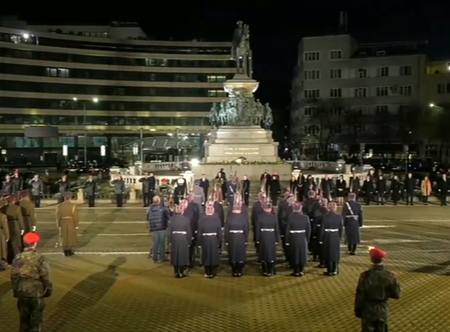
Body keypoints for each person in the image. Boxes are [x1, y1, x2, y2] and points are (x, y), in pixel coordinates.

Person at [10, 232, 53, 332]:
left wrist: (16, 291)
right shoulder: (39, 258)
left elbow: (14, 276)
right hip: (36, 291)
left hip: (22, 291)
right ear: (35, 243)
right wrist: (48, 290)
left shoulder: (18, 257)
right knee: (36, 321)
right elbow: (45, 276)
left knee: (24, 321)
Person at [354, 248, 401, 332]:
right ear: (382, 259)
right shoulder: (389, 276)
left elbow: (360, 295)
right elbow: (396, 295)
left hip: (368, 309)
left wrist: (358, 310)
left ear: (371, 259)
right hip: (382, 309)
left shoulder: (365, 276)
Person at [224, 197, 249, 277]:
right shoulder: (243, 218)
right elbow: (246, 229)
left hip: (232, 237)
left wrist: (226, 240)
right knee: (240, 254)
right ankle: (239, 270)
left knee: (233, 253)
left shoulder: (230, 218)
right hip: (241, 237)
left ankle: (234, 270)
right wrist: (246, 239)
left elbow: (226, 230)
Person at [197, 201, 222, 278]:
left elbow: (199, 233)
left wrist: (199, 243)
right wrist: (219, 241)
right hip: (210, 239)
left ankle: (210, 272)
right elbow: (219, 233)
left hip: (209, 239)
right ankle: (210, 272)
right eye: (209, 207)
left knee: (210, 256)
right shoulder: (215, 220)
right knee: (210, 256)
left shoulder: (203, 220)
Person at [167, 200, 192, 278]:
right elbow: (188, 231)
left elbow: (169, 231)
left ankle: (175, 272)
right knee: (182, 256)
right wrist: (189, 241)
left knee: (175, 255)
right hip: (183, 239)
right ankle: (181, 272)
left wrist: (169, 241)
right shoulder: (186, 219)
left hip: (175, 238)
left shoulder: (172, 219)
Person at [285, 202, 311, 277]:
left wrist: (287, 241)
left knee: (295, 253)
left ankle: (296, 271)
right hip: (302, 237)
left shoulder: (290, 217)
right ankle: (302, 270)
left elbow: (287, 230)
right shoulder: (306, 217)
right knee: (302, 254)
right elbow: (308, 230)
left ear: (293, 209)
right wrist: (307, 239)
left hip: (293, 237)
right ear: (301, 209)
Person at [255, 200, 280, 276]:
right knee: (271, 253)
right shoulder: (274, 217)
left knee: (263, 253)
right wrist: (277, 239)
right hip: (271, 236)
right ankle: (271, 270)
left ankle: (264, 270)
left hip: (263, 236)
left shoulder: (259, 217)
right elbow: (277, 228)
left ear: (263, 208)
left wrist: (257, 239)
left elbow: (257, 229)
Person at [320, 202, 343, 276]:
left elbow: (322, 229)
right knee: (335, 253)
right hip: (335, 235)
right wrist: (339, 237)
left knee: (328, 253)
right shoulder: (339, 217)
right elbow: (341, 228)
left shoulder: (324, 216)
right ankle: (335, 269)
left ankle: (329, 270)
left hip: (327, 236)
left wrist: (321, 238)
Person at [0, 195, 24, 263]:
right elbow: (20, 219)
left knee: (5, 245)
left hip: (4, 226)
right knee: (15, 243)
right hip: (14, 225)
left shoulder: (3, 208)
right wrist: (22, 228)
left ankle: (8, 258)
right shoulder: (17, 208)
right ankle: (16, 259)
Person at [56, 192, 79, 256]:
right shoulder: (73, 206)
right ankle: (69, 250)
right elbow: (75, 216)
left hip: (63, 221)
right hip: (70, 222)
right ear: (70, 198)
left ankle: (65, 250)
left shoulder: (59, 206)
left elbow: (58, 217)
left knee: (64, 236)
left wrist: (59, 225)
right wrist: (76, 225)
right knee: (70, 236)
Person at [147, 196, 170, 263]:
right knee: (161, 243)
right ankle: (162, 257)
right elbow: (168, 217)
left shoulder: (150, 208)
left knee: (155, 243)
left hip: (154, 228)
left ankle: (155, 257)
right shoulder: (163, 208)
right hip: (162, 227)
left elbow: (148, 217)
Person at [183, 193, 200, 267]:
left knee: (190, 247)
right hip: (189, 229)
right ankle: (188, 261)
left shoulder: (194, 206)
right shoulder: (191, 206)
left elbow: (197, 218)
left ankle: (189, 261)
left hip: (191, 229)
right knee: (188, 247)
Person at [314, 198, 328, 268]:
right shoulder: (328, 212)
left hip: (319, 230)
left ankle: (322, 262)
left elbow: (315, 221)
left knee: (320, 247)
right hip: (328, 232)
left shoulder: (317, 211)